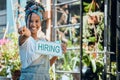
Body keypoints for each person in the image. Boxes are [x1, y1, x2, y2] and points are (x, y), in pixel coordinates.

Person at [18, 1, 66, 80]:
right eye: (30, 21)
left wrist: (58, 53)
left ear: (40, 22)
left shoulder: (43, 41)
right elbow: (26, 34)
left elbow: (46, 66)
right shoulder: (25, 40)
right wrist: (23, 30)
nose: (33, 24)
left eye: (36, 21)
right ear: (26, 21)